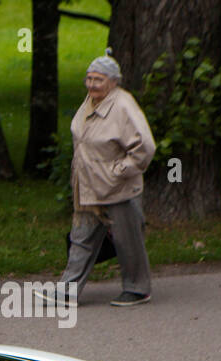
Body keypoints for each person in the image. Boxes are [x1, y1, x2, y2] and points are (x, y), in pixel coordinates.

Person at [39, 50, 156, 310]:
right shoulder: (91, 101)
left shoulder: (123, 105)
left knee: (128, 241)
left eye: (98, 80)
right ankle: (67, 291)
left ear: (113, 81)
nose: (91, 84)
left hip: (119, 189)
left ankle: (137, 289)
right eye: (89, 79)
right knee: (81, 237)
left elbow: (145, 147)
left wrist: (117, 172)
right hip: (89, 186)